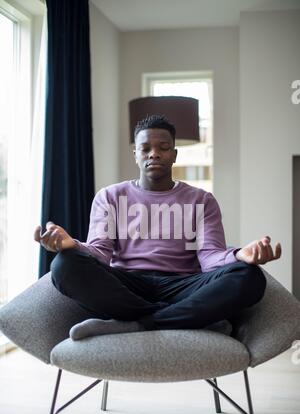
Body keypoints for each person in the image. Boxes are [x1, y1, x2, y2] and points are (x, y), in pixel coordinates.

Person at [34, 115, 281, 340]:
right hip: (127, 286)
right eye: (145, 149)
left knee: (249, 277)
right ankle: (191, 319)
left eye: (163, 148)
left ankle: (134, 324)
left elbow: (210, 258)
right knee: (64, 265)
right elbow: (100, 253)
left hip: (183, 286)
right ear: (135, 155)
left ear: (174, 155)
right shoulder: (109, 196)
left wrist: (239, 255)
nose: (154, 154)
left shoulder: (202, 200)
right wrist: (72, 246)